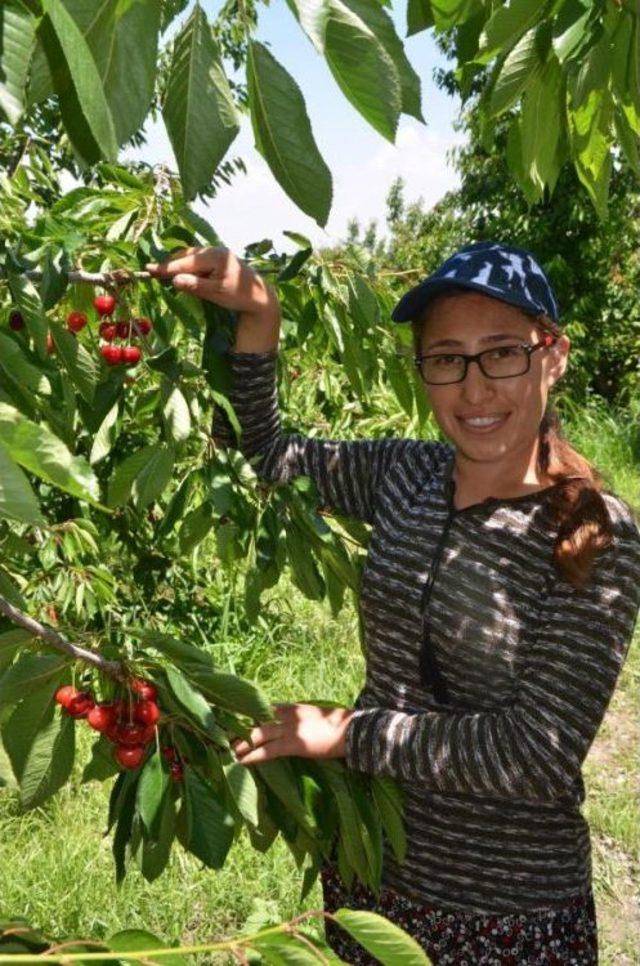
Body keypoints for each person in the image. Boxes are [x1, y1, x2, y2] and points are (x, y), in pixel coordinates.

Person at [146, 241, 640, 965]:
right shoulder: (408, 474)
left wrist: (352, 734)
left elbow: (536, 754)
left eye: (501, 353)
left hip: (506, 917)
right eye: (446, 359)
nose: (474, 391)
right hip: (374, 874)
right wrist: (259, 319)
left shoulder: (594, 534)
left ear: (553, 355)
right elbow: (268, 458)